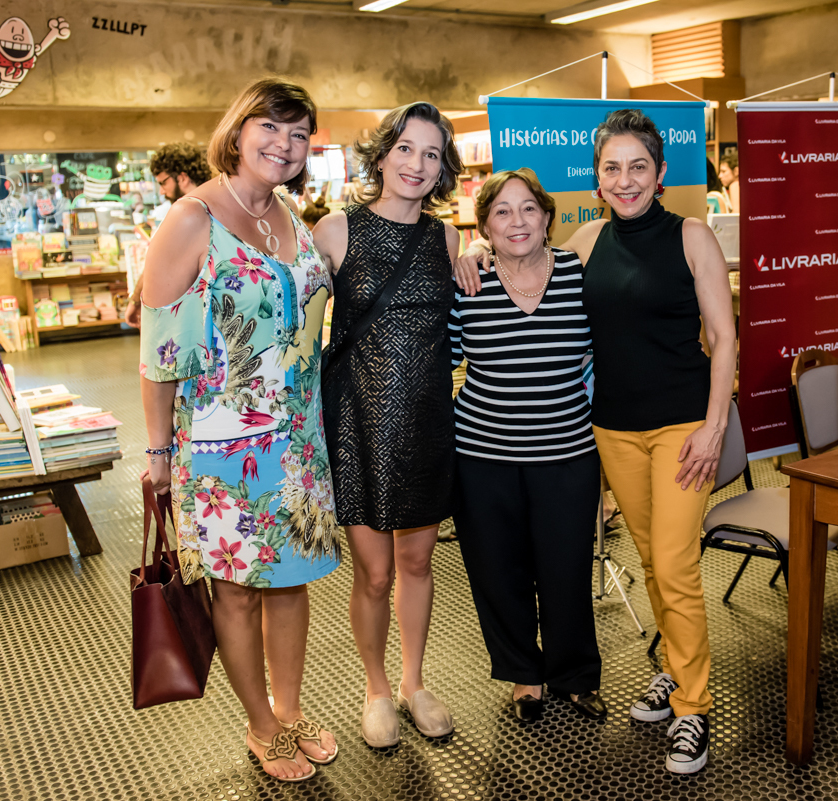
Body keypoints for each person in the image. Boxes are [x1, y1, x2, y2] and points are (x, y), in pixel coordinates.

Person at [458, 109, 737, 775]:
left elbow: (725, 338)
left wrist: (714, 426)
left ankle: (694, 706)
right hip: (611, 429)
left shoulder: (692, 236)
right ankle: (674, 667)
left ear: (661, 173)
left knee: (674, 564)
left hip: (681, 428)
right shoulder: (585, 242)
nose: (625, 179)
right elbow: (521, 256)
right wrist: (472, 254)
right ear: (597, 179)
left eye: (638, 166)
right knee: (651, 559)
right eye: (612, 167)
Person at [139, 79, 339, 782]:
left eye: (298, 133)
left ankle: (290, 709)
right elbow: (160, 350)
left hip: (299, 440)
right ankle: (261, 725)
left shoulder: (289, 214)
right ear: (239, 129)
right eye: (270, 128)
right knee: (238, 589)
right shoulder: (191, 219)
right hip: (223, 444)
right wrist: (158, 454)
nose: (284, 145)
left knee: (292, 580)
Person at [312, 102, 467, 748]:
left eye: (431, 154)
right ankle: (376, 688)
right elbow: (296, 328)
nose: (417, 164)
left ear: (442, 168)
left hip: (427, 418)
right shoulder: (335, 231)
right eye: (406, 148)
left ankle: (413, 681)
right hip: (357, 423)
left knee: (418, 561)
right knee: (374, 573)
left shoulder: (447, 239)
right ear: (381, 156)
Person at [448, 168, 606, 724]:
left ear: (547, 217)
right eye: (502, 212)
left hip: (567, 453)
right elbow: (442, 360)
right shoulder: (467, 284)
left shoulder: (578, 275)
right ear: (484, 226)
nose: (517, 221)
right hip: (482, 457)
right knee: (499, 571)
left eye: (528, 209)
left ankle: (575, 674)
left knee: (567, 569)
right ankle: (523, 674)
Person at [125, 143, 212, 328]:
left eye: (163, 183)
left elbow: (156, 262)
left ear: (183, 178)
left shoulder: (184, 214)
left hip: (192, 318)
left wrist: (135, 301)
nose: (162, 192)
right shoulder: (219, 204)